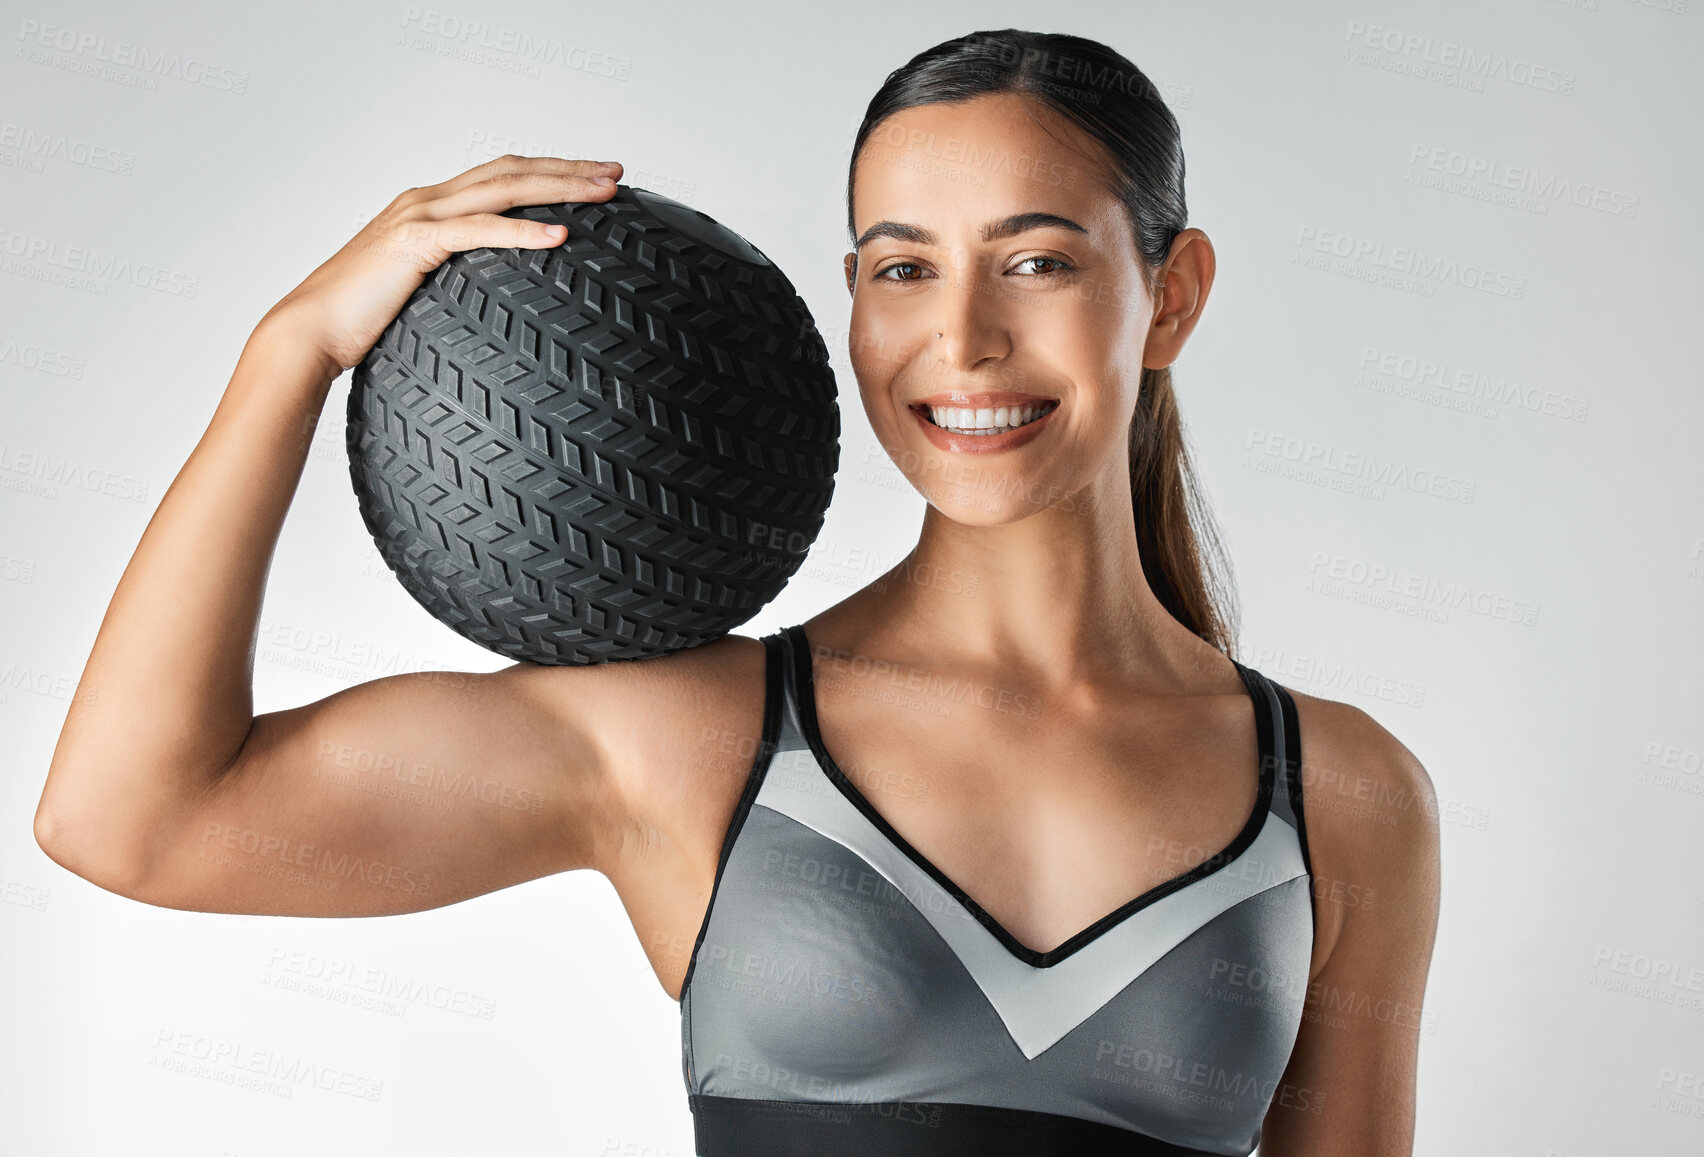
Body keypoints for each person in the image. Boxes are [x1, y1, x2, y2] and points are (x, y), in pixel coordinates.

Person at [34, 27, 1439, 1157]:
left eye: (1038, 261)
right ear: (853, 302)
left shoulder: (1344, 792)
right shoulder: (689, 741)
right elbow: (132, 814)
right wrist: (290, 349)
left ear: (1172, 295)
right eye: (904, 268)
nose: (963, 336)